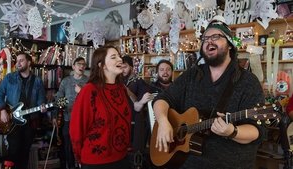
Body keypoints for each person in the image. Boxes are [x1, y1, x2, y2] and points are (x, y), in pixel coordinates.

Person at [152, 20, 265, 169]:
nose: (209, 41)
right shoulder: (191, 75)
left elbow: (257, 131)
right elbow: (162, 99)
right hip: (186, 163)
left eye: (216, 37)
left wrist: (232, 131)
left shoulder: (248, 82)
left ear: (230, 44)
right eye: (205, 38)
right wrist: (163, 122)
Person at [69, 46, 132, 169]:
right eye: (114, 57)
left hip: (122, 158)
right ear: (101, 65)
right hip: (96, 161)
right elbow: (76, 129)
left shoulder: (121, 89)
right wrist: (79, 157)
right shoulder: (89, 90)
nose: (120, 59)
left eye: (119, 56)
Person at [0, 52, 46, 169]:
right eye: (17, 61)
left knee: (25, 152)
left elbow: (41, 100)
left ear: (28, 62)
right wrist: (2, 110)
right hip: (12, 122)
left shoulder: (37, 81)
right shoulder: (9, 78)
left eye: (21, 60)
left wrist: (42, 106)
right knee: (13, 151)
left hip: (30, 122)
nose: (18, 63)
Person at [53, 57, 88, 169]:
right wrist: (56, 113)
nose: (81, 66)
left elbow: (93, 99)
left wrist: (82, 92)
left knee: (82, 145)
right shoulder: (66, 81)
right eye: (79, 64)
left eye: (83, 64)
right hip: (68, 119)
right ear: (73, 66)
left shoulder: (88, 81)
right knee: (68, 146)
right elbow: (58, 98)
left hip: (83, 120)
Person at [121, 55, 154, 168]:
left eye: (125, 67)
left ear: (131, 67)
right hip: (121, 121)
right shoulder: (119, 80)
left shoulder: (139, 82)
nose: (122, 70)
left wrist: (127, 91)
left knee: (135, 154)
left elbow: (138, 106)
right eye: (121, 67)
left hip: (136, 122)